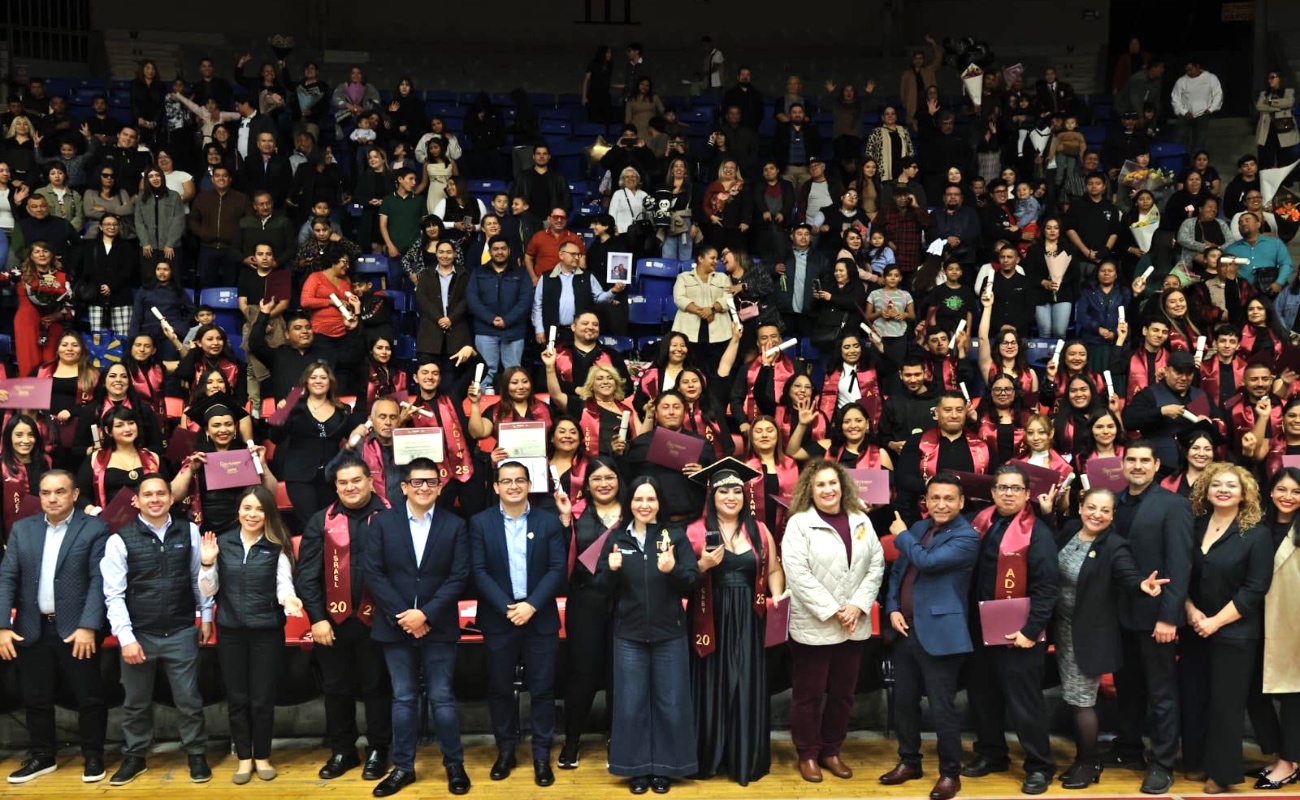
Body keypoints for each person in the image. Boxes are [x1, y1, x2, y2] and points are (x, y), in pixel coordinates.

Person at [363, 457, 470, 797]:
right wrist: (406, 616)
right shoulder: (382, 523)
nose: (425, 487)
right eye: (417, 482)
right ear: (404, 487)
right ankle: (404, 768)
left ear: (440, 488)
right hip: (395, 627)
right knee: (404, 698)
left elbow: (459, 577)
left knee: (442, 698)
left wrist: (426, 615)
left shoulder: (455, 525)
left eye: (432, 482)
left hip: (438, 627)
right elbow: (373, 574)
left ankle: (454, 764)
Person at [1049, 487, 1167, 789]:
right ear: (1081, 508)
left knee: (1081, 701)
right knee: (1076, 698)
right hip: (1061, 627)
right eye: (1091, 507)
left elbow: (1128, 575)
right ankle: (1085, 759)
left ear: (1113, 515)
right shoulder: (1072, 530)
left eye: (1104, 510)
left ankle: (1088, 763)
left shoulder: (1115, 546)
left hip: (1087, 634)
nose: (1096, 515)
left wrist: (1142, 585)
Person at [100, 474, 213, 785]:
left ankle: (196, 753)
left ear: (170, 498)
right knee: (135, 702)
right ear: (136, 501)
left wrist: (205, 617)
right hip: (139, 635)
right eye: (147, 494)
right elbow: (114, 595)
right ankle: (135, 756)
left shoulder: (189, 531)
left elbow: (197, 577)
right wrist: (126, 638)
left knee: (189, 698)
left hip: (180, 630)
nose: (155, 499)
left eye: (160, 493)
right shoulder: (119, 539)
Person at [0, 470, 110, 785]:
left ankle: (93, 755)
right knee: (35, 696)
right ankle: (42, 756)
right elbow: (7, 577)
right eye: (46, 492)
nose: (52, 498)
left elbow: (98, 580)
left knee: (89, 696)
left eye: (60, 492)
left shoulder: (94, 528)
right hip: (31, 628)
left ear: (75, 494)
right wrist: (2, 626)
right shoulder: (22, 529)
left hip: (77, 630)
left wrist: (89, 624)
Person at [595, 475, 700, 794]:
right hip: (629, 635)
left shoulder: (675, 536)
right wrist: (610, 570)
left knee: (670, 703)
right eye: (639, 499)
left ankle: (665, 768)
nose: (644, 505)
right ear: (630, 503)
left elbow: (692, 581)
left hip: (670, 634)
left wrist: (673, 570)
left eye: (650, 499)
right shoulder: (616, 538)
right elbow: (599, 588)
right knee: (631, 704)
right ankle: (636, 768)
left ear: (659, 504)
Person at [781, 459, 883, 783]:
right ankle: (808, 753)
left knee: (843, 694)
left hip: (853, 625)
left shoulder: (861, 520)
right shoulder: (798, 524)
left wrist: (857, 605)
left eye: (832, 483)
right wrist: (834, 609)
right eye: (820, 484)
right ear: (810, 489)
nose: (828, 489)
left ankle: (831, 750)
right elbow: (797, 574)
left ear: (843, 485)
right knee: (809, 695)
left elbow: (876, 565)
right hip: (815, 626)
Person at [684, 460, 785, 786]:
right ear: (712, 495)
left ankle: (744, 757)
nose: (731, 496)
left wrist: (777, 597)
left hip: (748, 617)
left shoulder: (759, 529)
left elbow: (773, 570)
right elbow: (682, 578)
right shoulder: (695, 531)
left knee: (744, 683)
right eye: (723, 490)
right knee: (711, 683)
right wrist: (702, 564)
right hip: (708, 616)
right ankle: (709, 756)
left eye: (736, 491)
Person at [960, 464, 1059, 794]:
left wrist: (1031, 631)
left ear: (1027, 493)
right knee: (983, 697)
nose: (1007, 493)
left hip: (1020, 633)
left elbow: (1047, 589)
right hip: (979, 628)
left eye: (1015, 488)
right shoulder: (981, 523)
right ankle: (992, 754)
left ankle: (1039, 766)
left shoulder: (1038, 533)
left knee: (1024, 703)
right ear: (992, 492)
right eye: (1002, 487)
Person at [881, 474, 980, 800]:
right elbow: (898, 572)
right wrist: (893, 608)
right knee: (904, 704)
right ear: (926, 500)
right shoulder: (920, 529)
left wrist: (901, 536)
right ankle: (910, 761)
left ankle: (950, 774)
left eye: (948, 498)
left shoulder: (966, 537)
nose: (941, 504)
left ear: (961, 502)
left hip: (941, 634)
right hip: (905, 630)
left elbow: (928, 562)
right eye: (934, 498)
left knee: (942, 709)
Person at [295, 453, 393, 781]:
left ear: (370, 481)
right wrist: (317, 619)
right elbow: (307, 575)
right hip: (332, 625)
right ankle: (343, 751)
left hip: (380, 620)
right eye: (343, 482)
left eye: (356, 480)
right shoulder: (320, 520)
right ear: (335, 487)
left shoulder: (391, 516)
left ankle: (379, 749)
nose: (350, 487)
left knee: (377, 686)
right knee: (336, 688)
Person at [469, 461, 567, 787]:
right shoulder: (480, 523)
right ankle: (506, 751)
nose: (513, 486)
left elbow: (556, 570)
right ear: (495, 487)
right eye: (506, 481)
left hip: (539, 618)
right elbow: (478, 572)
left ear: (529, 485)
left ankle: (541, 755)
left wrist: (531, 606)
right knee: (499, 689)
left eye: (519, 480)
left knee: (542, 689)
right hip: (500, 618)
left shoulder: (548, 522)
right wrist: (509, 607)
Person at [1180, 463, 1274, 793]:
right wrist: (1191, 610)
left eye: (1231, 485)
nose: (1223, 489)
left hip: (1235, 633)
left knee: (1225, 704)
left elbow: (1254, 588)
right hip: (1194, 629)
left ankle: (1221, 773)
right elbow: (1182, 575)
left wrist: (1215, 622)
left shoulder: (1257, 533)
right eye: (1216, 484)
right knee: (1194, 697)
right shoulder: (1195, 526)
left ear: (1244, 493)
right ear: (1206, 490)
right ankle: (1195, 761)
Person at [1106, 441, 1194, 795]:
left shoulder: (1174, 506)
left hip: (1156, 617)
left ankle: (1162, 762)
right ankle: (1129, 750)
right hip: (1116, 614)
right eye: (1131, 460)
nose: (1138, 466)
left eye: (1145, 460)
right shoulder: (1112, 502)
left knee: (1161, 693)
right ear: (1122, 464)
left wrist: (1169, 618)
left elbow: (1179, 564)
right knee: (1127, 689)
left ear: (1157, 465)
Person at [198, 487, 302, 784]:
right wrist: (207, 563)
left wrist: (289, 601)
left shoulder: (275, 546)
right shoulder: (222, 543)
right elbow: (208, 590)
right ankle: (244, 759)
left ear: (268, 513)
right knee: (238, 698)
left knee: (262, 698)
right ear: (238, 511)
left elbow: (284, 586)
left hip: (266, 632)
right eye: (246, 508)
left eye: (258, 509)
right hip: (231, 632)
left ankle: (263, 756)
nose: (252, 514)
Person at [1259, 468, 1300, 790]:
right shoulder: (1259, 526)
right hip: (1255, 618)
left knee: (1292, 695)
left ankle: (1290, 762)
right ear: (1271, 492)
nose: (1288, 497)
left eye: (1296, 491)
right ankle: (1280, 754)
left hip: (1292, 621)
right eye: (1282, 489)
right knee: (1252, 691)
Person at [269, 363, 353, 520]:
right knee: (311, 521)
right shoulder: (292, 403)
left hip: (331, 476)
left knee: (329, 522)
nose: (318, 381)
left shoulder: (343, 409)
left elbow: (353, 439)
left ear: (330, 382)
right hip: (299, 475)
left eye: (323, 377)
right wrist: (281, 413)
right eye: (313, 377)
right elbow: (274, 437)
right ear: (306, 382)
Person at [1172, 61, 1223, 154]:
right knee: (1181, 138)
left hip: (1202, 114)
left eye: (1191, 70)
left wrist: (1211, 109)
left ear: (1198, 67)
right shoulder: (1181, 81)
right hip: (1185, 114)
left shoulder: (1210, 78)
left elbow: (1218, 94)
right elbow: (1175, 98)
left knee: (1200, 141)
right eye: (1186, 70)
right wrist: (1184, 112)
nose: (1189, 73)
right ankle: (1183, 161)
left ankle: (1196, 163)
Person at [1256, 71, 1297, 170]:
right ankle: (1267, 182)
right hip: (1268, 128)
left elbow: (1288, 102)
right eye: (1269, 78)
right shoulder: (1264, 93)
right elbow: (1259, 106)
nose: (1270, 80)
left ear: (1280, 79)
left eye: (1273, 77)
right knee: (1266, 157)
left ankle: (1286, 183)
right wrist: (1277, 107)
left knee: (1285, 158)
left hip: (1284, 127)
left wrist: (1270, 102)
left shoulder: (1288, 91)